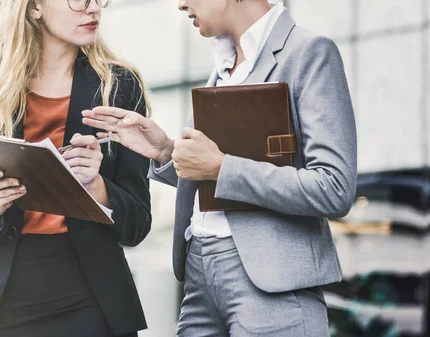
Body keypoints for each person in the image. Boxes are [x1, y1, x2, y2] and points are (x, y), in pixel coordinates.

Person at [82, 0, 357, 336]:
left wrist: (222, 169)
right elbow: (213, 170)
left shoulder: (308, 53)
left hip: (273, 287)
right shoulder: (224, 68)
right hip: (199, 277)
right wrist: (166, 152)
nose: (181, 4)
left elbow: (334, 187)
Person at [0, 0, 152, 336]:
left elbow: (138, 225)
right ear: (34, 8)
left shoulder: (119, 86)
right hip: (2, 299)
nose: (94, 8)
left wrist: (96, 186)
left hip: (93, 297)